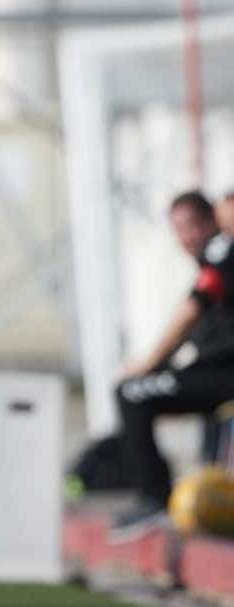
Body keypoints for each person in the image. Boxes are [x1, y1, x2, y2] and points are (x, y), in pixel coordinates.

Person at [108, 191, 234, 540]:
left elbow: (191, 310)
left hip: (225, 376)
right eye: (179, 229)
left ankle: (153, 498)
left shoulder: (222, 251)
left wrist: (149, 364)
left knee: (132, 393)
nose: (187, 236)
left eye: (195, 226)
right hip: (215, 371)